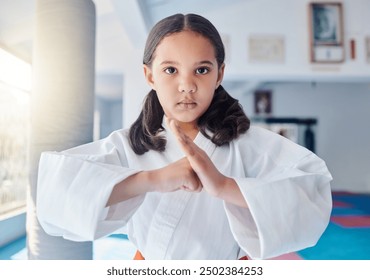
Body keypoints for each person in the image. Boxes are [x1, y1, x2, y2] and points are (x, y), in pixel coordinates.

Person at [36, 13, 333, 260]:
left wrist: (225, 186)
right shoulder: (129, 145)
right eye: (170, 70)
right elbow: (57, 191)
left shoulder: (250, 144)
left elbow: (312, 190)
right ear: (150, 75)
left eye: (201, 70)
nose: (187, 85)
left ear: (219, 74)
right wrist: (153, 179)